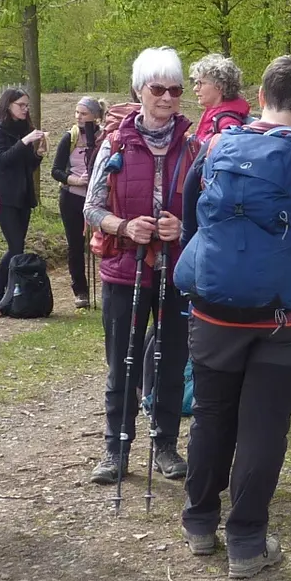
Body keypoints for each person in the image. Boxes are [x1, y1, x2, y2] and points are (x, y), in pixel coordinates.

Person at [177, 55, 291, 577]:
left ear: (259, 95)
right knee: (264, 424)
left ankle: (198, 523)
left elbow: (192, 210)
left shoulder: (215, 144)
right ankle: (246, 543)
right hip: (289, 316)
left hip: (213, 308)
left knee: (213, 414)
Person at [84, 49, 197, 486]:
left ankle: (166, 445)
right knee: (122, 364)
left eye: (175, 89)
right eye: (158, 88)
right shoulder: (114, 144)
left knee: (171, 361)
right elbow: (92, 209)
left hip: (176, 272)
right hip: (123, 271)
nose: (168, 98)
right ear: (139, 91)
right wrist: (125, 226)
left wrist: (182, 227)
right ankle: (116, 449)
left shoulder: (194, 146)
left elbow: (209, 212)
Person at [0, 87, 46, 310]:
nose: (25, 109)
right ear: (8, 105)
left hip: (23, 195)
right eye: (21, 105)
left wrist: (37, 155)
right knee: (15, 245)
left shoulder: (24, 129)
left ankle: (9, 294)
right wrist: (25, 142)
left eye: (27, 106)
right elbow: (1, 161)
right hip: (3, 195)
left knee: (17, 247)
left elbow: (27, 166)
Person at [50, 96, 106, 308]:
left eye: (83, 114)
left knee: (104, 242)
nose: (79, 117)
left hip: (99, 197)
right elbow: (55, 170)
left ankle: (108, 284)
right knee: (75, 244)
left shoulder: (104, 138)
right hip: (71, 196)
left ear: (96, 116)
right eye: (77, 113)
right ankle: (80, 291)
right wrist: (75, 180)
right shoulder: (69, 137)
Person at [190, 53, 252, 144]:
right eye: (196, 83)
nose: (195, 89)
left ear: (219, 86)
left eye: (201, 83)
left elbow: (232, 150)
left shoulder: (227, 122)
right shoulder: (216, 115)